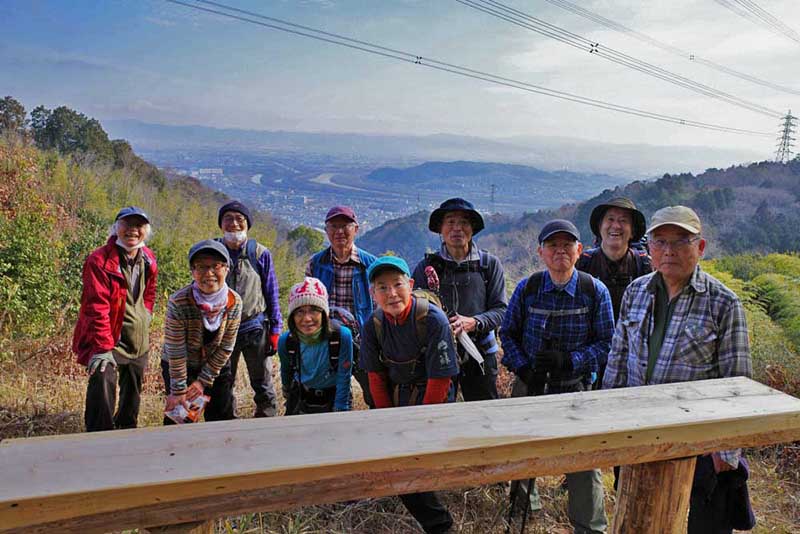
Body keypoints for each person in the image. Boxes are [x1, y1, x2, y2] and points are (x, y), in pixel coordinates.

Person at [603, 206, 754, 533]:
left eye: (681, 241)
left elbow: (738, 386)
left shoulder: (723, 304)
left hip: (698, 447)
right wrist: (608, 428)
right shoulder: (636, 292)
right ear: (649, 249)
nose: (669, 250)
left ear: (700, 248)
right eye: (660, 241)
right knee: (638, 520)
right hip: (637, 434)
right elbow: (617, 361)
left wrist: (724, 455)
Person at [500, 219, 613, 534]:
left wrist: (570, 361)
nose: (560, 250)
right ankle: (523, 507)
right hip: (530, 383)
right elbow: (507, 333)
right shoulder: (528, 288)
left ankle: (589, 526)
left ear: (579, 251)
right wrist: (522, 367)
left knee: (584, 458)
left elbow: (607, 342)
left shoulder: (594, 291)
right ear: (541, 251)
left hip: (575, 387)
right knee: (523, 448)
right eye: (553, 245)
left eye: (567, 245)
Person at [360, 256, 459, 534]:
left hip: (433, 398)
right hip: (397, 398)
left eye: (397, 284)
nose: (391, 294)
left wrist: (420, 424)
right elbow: (376, 378)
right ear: (373, 293)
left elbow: (441, 378)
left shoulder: (432, 319)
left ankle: (440, 525)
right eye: (382, 287)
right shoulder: (374, 325)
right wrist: (389, 423)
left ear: (411, 285)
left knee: (409, 460)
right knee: (397, 460)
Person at [72, 206, 158, 432]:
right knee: (102, 382)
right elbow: (95, 306)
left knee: (133, 390)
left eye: (138, 226)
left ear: (146, 231)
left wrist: (146, 314)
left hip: (137, 337)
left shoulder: (148, 258)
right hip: (107, 337)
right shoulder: (99, 260)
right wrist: (102, 347)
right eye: (126, 225)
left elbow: (150, 291)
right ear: (116, 228)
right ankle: (99, 435)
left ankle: (127, 429)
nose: (132, 230)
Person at [412, 198, 507, 401]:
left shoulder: (488, 264)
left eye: (464, 222)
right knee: (440, 412)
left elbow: (501, 310)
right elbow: (415, 309)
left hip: (480, 351)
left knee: (483, 412)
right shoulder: (427, 267)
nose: (457, 228)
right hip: (439, 353)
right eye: (450, 222)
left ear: (472, 229)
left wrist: (474, 322)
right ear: (440, 229)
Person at [162, 240, 242, 424]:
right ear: (193, 271)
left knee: (221, 418)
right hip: (181, 365)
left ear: (226, 269)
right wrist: (179, 390)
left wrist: (202, 381)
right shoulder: (179, 302)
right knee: (181, 417)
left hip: (216, 365)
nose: (209, 273)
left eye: (216, 266)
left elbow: (226, 347)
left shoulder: (234, 302)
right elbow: (176, 350)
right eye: (201, 267)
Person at [306, 205, 378, 407]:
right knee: (332, 395)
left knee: (374, 394)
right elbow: (309, 305)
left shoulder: (370, 264)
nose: (339, 231)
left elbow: (379, 306)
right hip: (327, 340)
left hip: (362, 340)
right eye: (333, 226)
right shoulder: (316, 263)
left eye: (345, 225)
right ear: (326, 230)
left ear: (356, 229)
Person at [218, 200, 282, 417]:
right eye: (228, 219)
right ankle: (226, 426)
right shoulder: (214, 252)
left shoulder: (259, 253)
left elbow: (271, 292)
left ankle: (266, 425)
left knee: (262, 383)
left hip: (255, 327)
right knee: (223, 383)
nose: (234, 224)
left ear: (247, 224)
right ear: (221, 224)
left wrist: (275, 329)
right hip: (222, 330)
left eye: (239, 219)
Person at [278, 277, 354, 414]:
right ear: (292, 317)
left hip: (335, 394)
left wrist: (341, 409)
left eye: (314, 310)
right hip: (302, 394)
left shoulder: (341, 336)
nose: (307, 318)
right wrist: (289, 397)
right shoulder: (286, 341)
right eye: (299, 311)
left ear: (324, 314)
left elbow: (344, 376)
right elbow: (286, 372)